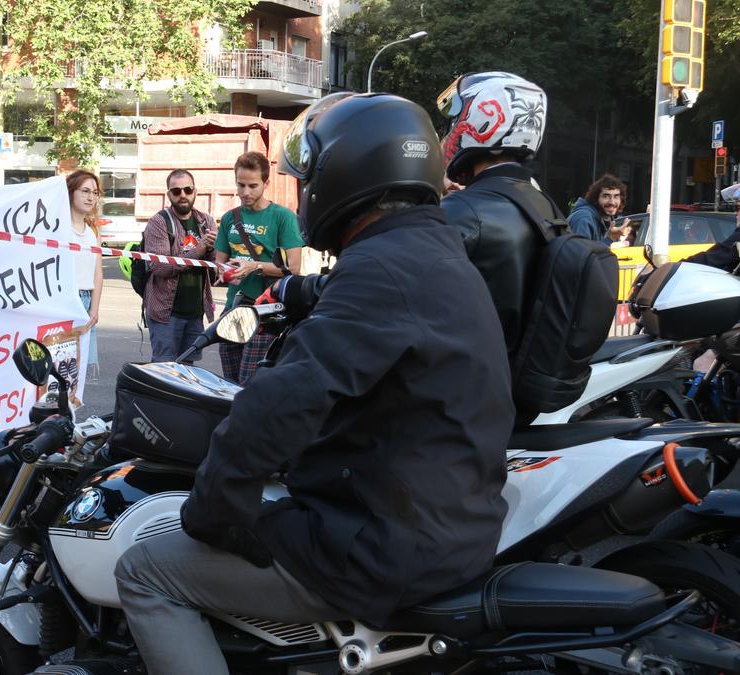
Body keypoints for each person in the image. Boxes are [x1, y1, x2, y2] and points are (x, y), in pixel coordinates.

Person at [114, 92, 514, 674]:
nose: (301, 196)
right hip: (441, 517)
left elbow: (282, 401)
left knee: (145, 569)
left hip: (386, 544)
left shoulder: (382, 268)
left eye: (307, 181)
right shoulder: (428, 252)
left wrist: (215, 506)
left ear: (347, 178)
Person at [437, 72, 554, 371]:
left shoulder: (463, 210)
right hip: (510, 379)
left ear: (483, 122)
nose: (449, 133)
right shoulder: (544, 204)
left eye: (456, 120)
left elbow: (390, 280)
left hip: (461, 385)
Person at [214, 152, 303, 383]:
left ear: (266, 183)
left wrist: (253, 267)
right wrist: (222, 272)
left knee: (248, 383)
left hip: (266, 311)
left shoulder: (283, 217)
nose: (245, 192)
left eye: (253, 186)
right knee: (229, 384)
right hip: (234, 308)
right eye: (240, 185)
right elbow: (219, 262)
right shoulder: (229, 218)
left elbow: (293, 268)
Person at [142, 169, 217, 362]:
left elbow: (216, 263)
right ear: (169, 195)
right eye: (176, 191)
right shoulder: (159, 222)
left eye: (187, 189)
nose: (183, 195)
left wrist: (213, 250)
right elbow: (159, 266)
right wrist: (199, 249)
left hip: (195, 312)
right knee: (164, 370)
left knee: (188, 372)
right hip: (166, 313)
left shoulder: (206, 221)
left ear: (195, 191)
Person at [67, 170, 104, 375]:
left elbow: (98, 273)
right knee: (59, 367)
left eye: (95, 192)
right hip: (65, 299)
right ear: (71, 192)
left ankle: (72, 408)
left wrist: (94, 310)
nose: (91, 197)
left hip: (86, 301)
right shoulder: (58, 227)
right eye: (85, 191)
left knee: (77, 371)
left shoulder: (93, 230)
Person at [568, 174, 631, 243]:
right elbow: (581, 252)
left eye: (616, 196)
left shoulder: (602, 219)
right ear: (595, 198)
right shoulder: (584, 219)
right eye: (606, 196)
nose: (612, 202)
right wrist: (610, 239)